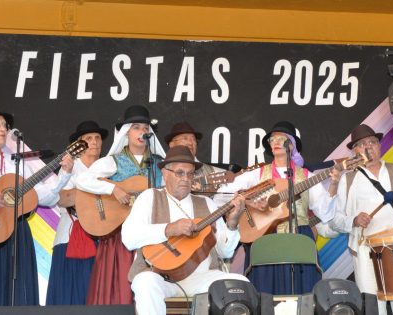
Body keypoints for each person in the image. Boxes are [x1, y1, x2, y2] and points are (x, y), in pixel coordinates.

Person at [0, 105, 74, 314]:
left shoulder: (15, 163)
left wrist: (64, 174)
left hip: (16, 234)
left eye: (5, 125)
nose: (3, 129)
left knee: (16, 289)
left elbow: (45, 197)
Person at [122, 145, 249, 315]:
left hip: (201, 278)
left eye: (190, 174)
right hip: (159, 276)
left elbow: (225, 252)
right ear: (165, 174)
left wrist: (232, 224)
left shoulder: (207, 204)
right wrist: (169, 229)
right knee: (145, 283)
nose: (186, 178)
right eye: (179, 173)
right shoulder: (149, 197)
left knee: (239, 284)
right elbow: (128, 238)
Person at [216, 121, 334, 294]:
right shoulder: (257, 175)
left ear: (292, 145)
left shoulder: (307, 176)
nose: (276, 142)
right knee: (265, 294)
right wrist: (248, 203)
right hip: (265, 237)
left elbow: (326, 212)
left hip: (298, 238)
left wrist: (335, 183)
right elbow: (220, 197)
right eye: (272, 139)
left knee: (302, 295)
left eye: (282, 139)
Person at [72, 105, 167, 304]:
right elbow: (82, 180)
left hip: (152, 235)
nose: (142, 132)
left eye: (146, 128)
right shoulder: (114, 161)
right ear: (126, 133)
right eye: (136, 127)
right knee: (119, 291)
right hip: (120, 237)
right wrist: (113, 190)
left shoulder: (161, 164)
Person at [328, 124, 393, 315]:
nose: (368, 147)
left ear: (379, 146)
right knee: (373, 307)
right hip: (365, 251)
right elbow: (335, 220)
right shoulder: (347, 180)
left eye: (372, 142)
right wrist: (354, 220)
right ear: (355, 151)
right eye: (361, 144)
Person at [45, 121, 108, 305]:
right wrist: (100, 193)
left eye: (97, 138)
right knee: (69, 298)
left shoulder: (108, 167)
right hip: (71, 240)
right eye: (88, 138)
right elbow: (62, 198)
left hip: (103, 238)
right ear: (78, 145)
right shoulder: (69, 167)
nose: (95, 142)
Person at [163, 121, 224, 193]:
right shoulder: (157, 171)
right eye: (185, 138)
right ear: (172, 145)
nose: (190, 143)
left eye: (193, 139)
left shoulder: (215, 172)